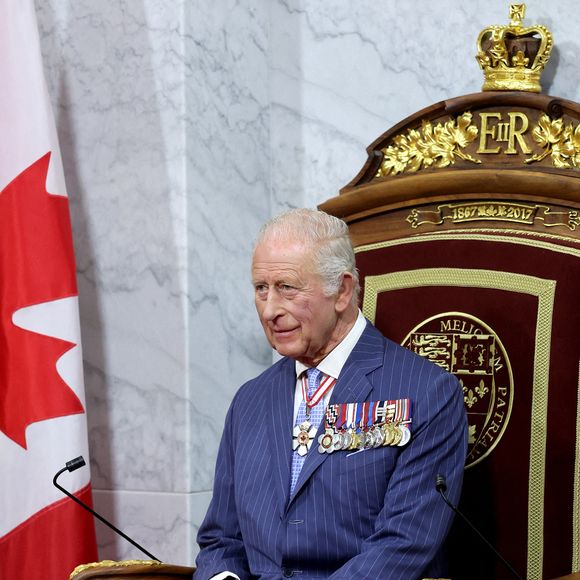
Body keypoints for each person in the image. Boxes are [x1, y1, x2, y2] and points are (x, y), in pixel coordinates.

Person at [195, 208, 467, 579]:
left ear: (342, 290)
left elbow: (404, 544)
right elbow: (221, 539)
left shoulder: (428, 393)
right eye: (261, 288)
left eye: (287, 288)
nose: (270, 310)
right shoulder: (250, 400)